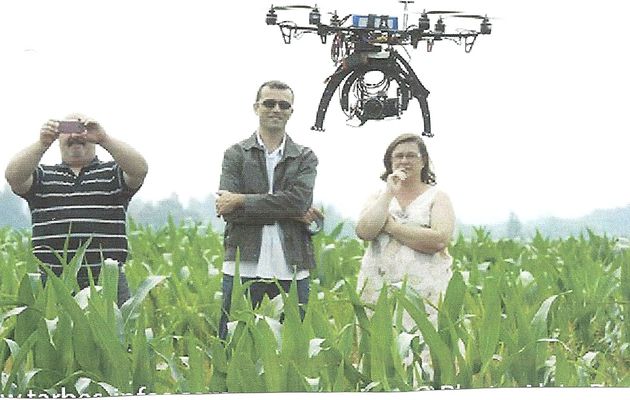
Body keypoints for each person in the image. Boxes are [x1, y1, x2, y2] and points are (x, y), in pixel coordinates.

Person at [4, 114, 148, 306]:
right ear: (58, 136)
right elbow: (13, 176)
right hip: (54, 286)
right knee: (55, 337)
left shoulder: (113, 174)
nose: (75, 136)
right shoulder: (42, 176)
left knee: (116, 336)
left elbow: (140, 170)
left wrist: (105, 139)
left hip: (108, 282)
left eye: (82, 129)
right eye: (67, 129)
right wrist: (42, 143)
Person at [216, 80, 321, 340]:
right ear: (256, 107)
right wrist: (290, 210)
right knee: (231, 344)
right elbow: (228, 212)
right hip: (243, 266)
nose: (276, 109)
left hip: (293, 267)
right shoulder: (236, 154)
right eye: (269, 103)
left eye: (283, 105)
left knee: (292, 347)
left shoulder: (305, 156)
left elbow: (299, 201)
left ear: (291, 111)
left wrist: (242, 200)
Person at [355, 133, 455, 373]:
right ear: (389, 162)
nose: (404, 161)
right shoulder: (378, 197)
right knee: (380, 354)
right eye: (398, 156)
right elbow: (365, 231)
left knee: (424, 355)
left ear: (423, 162)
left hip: (425, 292)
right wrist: (389, 193)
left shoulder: (437, 197)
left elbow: (439, 239)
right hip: (379, 288)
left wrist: (393, 227)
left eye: (411, 155)